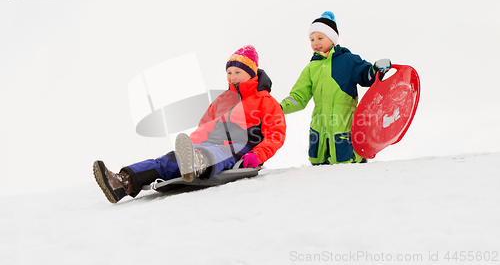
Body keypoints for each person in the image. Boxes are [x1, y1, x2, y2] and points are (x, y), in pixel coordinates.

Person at [94, 45, 286, 203]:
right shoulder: (222, 100)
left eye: (237, 72)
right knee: (169, 160)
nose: (232, 77)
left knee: (222, 152)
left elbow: (276, 134)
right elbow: (205, 127)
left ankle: (199, 162)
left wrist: (257, 155)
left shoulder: (265, 101)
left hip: (241, 147)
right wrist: (189, 147)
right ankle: (122, 181)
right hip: (210, 144)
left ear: (251, 74)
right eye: (229, 72)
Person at [280, 11, 391, 165]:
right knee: (321, 176)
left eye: (320, 38)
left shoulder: (348, 60)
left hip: (344, 128)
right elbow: (299, 97)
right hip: (320, 131)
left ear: (332, 39)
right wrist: (278, 108)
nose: (315, 43)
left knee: (347, 172)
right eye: (312, 39)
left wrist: (376, 70)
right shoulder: (311, 68)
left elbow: (367, 77)